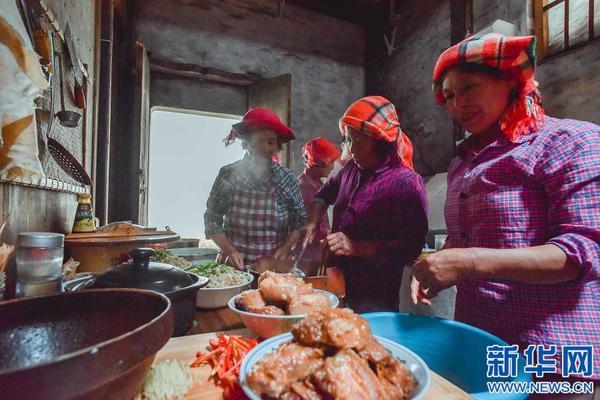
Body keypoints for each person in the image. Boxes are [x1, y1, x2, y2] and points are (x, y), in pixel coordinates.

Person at [411, 33, 600, 391]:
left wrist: (466, 262)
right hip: (481, 340)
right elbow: (466, 237)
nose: (457, 104)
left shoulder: (571, 142)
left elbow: (584, 253)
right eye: (449, 96)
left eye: (469, 87)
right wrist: (437, 262)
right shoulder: (462, 164)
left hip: (551, 351)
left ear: (512, 82)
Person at [303, 96, 428, 313]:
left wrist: (355, 247)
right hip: (338, 281)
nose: (350, 150)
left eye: (355, 141)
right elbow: (322, 196)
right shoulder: (351, 169)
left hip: (375, 293)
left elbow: (411, 247)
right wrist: (312, 223)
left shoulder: (406, 182)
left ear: (378, 141)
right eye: (347, 141)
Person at [204, 108, 307, 269]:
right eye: (259, 141)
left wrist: (286, 248)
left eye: (271, 142)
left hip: (274, 267)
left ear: (278, 146)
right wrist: (229, 250)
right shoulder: (229, 174)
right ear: (247, 144)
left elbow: (299, 221)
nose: (266, 148)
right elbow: (212, 219)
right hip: (235, 268)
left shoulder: (286, 178)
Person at [297, 137, 341, 262]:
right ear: (318, 163)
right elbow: (309, 223)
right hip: (308, 250)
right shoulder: (305, 186)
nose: (332, 168)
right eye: (330, 163)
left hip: (316, 247)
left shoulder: (316, 183)